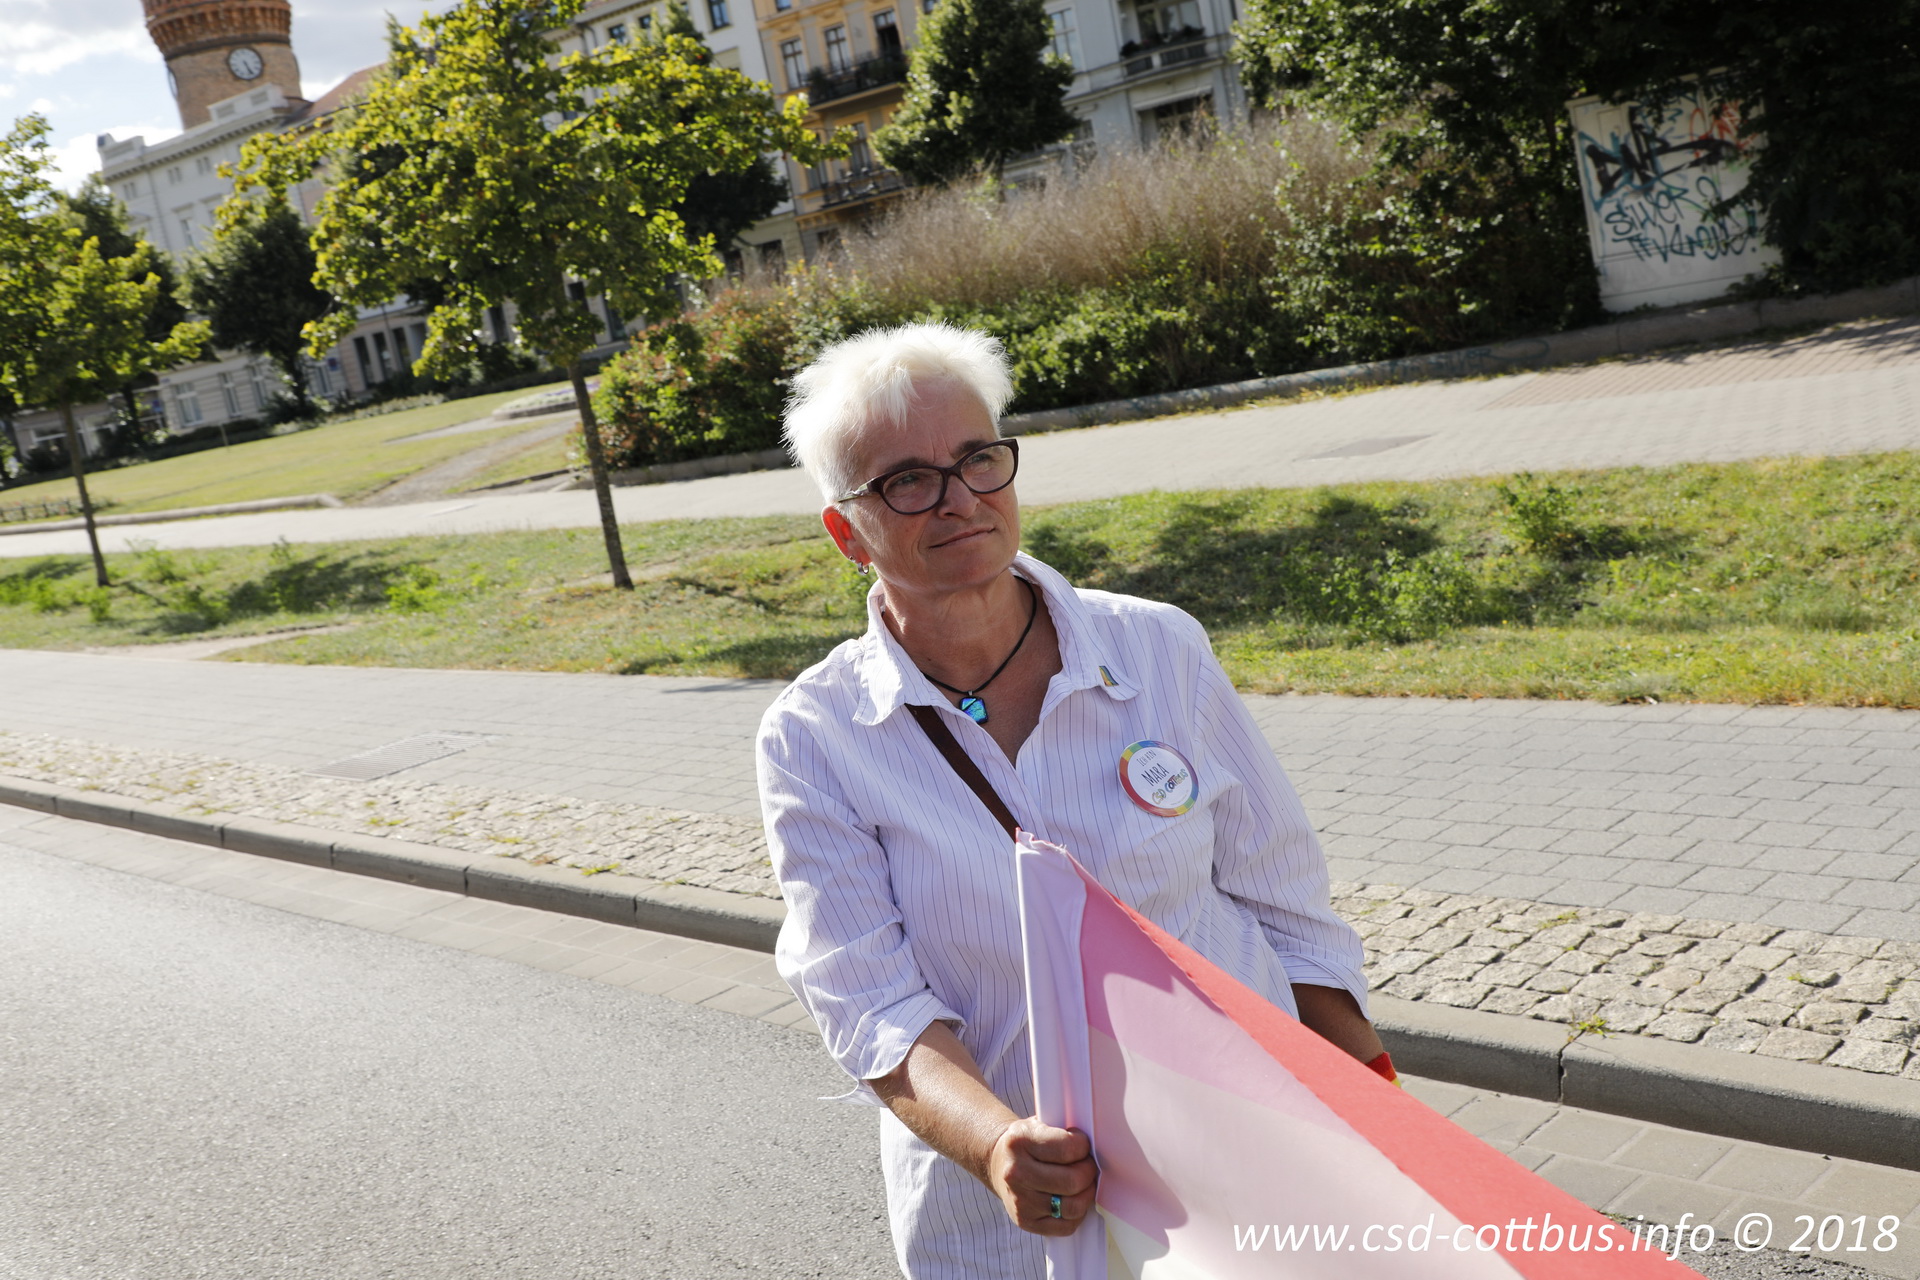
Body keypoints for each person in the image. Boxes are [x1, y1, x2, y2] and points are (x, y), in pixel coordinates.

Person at [756, 322, 1384, 1279]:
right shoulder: (816, 735)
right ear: (848, 532)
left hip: (1241, 1164)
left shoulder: (1159, 649)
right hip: (1007, 1227)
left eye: (978, 459)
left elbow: (1284, 904)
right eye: (908, 480)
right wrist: (995, 1146)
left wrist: (1379, 1107)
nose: (960, 498)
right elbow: (871, 1002)